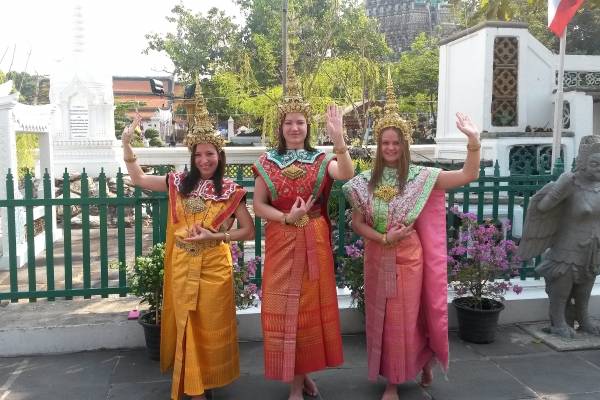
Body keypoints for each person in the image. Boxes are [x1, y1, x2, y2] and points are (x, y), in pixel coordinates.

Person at [342, 73, 481, 400]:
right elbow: (356, 224)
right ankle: (409, 367)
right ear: (379, 147)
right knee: (381, 318)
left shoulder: (422, 177)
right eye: (385, 143)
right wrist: (382, 238)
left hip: (408, 258)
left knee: (406, 317)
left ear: (405, 145)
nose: (391, 148)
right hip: (377, 256)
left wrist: (473, 141)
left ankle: (400, 377)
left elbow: (468, 174)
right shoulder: (366, 181)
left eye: (396, 142)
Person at [122, 79, 255, 400]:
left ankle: (206, 379)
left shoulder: (231, 191)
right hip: (182, 263)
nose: (204, 160)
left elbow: (248, 231)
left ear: (219, 155)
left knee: (209, 325)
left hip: (215, 266)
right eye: (198, 155)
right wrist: (126, 144)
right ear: (192, 156)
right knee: (187, 323)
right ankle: (194, 387)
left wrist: (217, 235)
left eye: (210, 154)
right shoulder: (177, 182)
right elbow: (139, 179)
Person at [252, 55, 354, 400]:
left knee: (307, 313)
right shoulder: (266, 162)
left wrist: (339, 139)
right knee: (283, 310)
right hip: (282, 240)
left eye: (300, 122)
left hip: (314, 241)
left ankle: (297, 383)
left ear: (308, 127)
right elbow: (259, 205)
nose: (294, 128)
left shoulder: (322, 160)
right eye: (289, 123)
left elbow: (347, 174)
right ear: (280, 128)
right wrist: (286, 218)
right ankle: (300, 375)